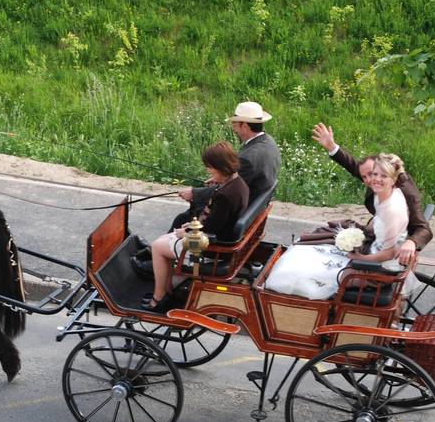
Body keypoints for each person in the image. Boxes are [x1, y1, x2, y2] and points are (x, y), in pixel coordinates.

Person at [265, 153, 415, 299]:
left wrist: (361, 257)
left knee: (304, 270)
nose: (376, 179)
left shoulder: (392, 209)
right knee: (307, 252)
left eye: (383, 176)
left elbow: (389, 253)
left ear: (394, 180)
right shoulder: (386, 193)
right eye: (374, 174)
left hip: (380, 267)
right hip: (373, 249)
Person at [143, 141, 249, 312]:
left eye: (210, 167)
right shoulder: (238, 184)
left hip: (210, 249)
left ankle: (159, 297)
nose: (208, 171)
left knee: (157, 246)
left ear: (220, 166)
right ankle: (168, 288)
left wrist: (184, 231)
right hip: (220, 238)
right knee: (164, 240)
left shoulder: (225, 196)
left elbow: (210, 230)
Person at [308, 123, 432, 266]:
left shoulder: (405, 193)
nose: (368, 181)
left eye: (371, 175)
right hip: (377, 233)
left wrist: (411, 242)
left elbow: (424, 229)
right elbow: (356, 167)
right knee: (325, 234)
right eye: (365, 177)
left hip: (384, 246)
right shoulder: (380, 178)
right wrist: (332, 147)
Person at [171, 101, 281, 230]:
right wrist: (221, 176)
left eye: (235, 125)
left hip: (239, 211)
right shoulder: (268, 141)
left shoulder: (248, 158)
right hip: (254, 203)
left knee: (181, 219)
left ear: (244, 126)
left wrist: (194, 193)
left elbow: (230, 189)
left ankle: (165, 248)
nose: (234, 129)